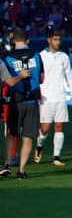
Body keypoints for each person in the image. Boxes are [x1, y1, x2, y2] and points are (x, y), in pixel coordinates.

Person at [2, 29, 43, 179]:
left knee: (11, 134)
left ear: (14, 40)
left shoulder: (8, 58)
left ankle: (7, 163)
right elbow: (42, 78)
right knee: (28, 136)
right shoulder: (37, 56)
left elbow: (6, 80)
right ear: (28, 40)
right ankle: (22, 170)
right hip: (32, 100)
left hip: (15, 100)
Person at [35, 30, 72, 167]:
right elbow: (37, 76)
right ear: (49, 40)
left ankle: (56, 156)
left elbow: (69, 76)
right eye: (55, 39)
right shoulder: (40, 56)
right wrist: (37, 93)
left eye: (59, 39)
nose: (57, 42)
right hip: (45, 98)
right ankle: (39, 146)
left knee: (59, 126)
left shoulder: (63, 57)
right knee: (45, 129)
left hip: (60, 96)